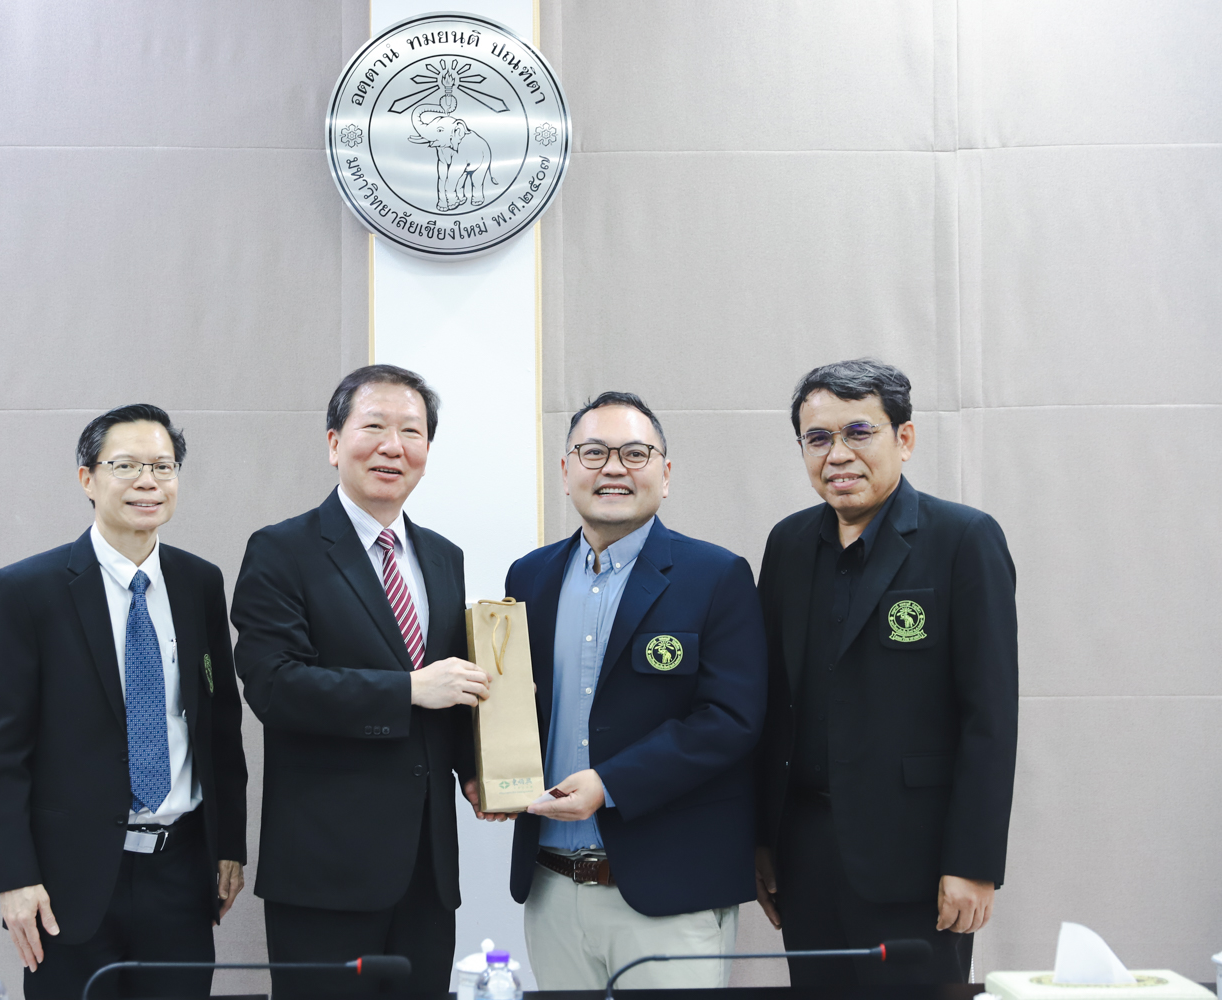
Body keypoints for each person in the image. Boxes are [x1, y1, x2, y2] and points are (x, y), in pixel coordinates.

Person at [753, 359, 1018, 986]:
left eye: (859, 432)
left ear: (904, 438)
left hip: (917, 862)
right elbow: (772, 703)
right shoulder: (788, 545)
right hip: (803, 856)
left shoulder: (963, 539)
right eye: (818, 438)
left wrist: (974, 862)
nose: (838, 454)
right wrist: (762, 839)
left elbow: (990, 716)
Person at [230, 365, 488, 996]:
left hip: (427, 872)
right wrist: (407, 690)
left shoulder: (443, 556)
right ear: (334, 442)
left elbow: (448, 691)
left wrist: (479, 766)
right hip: (325, 873)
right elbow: (274, 686)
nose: (392, 446)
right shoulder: (281, 550)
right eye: (373, 427)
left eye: (412, 431)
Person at [0, 404, 248, 999]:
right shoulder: (28, 589)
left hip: (181, 871)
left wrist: (230, 845)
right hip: (70, 881)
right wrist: (15, 876)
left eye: (163, 466)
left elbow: (219, 726)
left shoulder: (200, 582)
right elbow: (2, 749)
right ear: (88, 478)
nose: (148, 481)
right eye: (126, 465)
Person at [498, 391, 768, 990]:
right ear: (565, 470)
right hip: (550, 886)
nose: (613, 468)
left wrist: (610, 784)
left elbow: (731, 719)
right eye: (593, 452)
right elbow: (514, 703)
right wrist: (487, 771)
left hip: (669, 891)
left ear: (664, 475)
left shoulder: (716, 575)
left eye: (634, 453)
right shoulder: (529, 577)